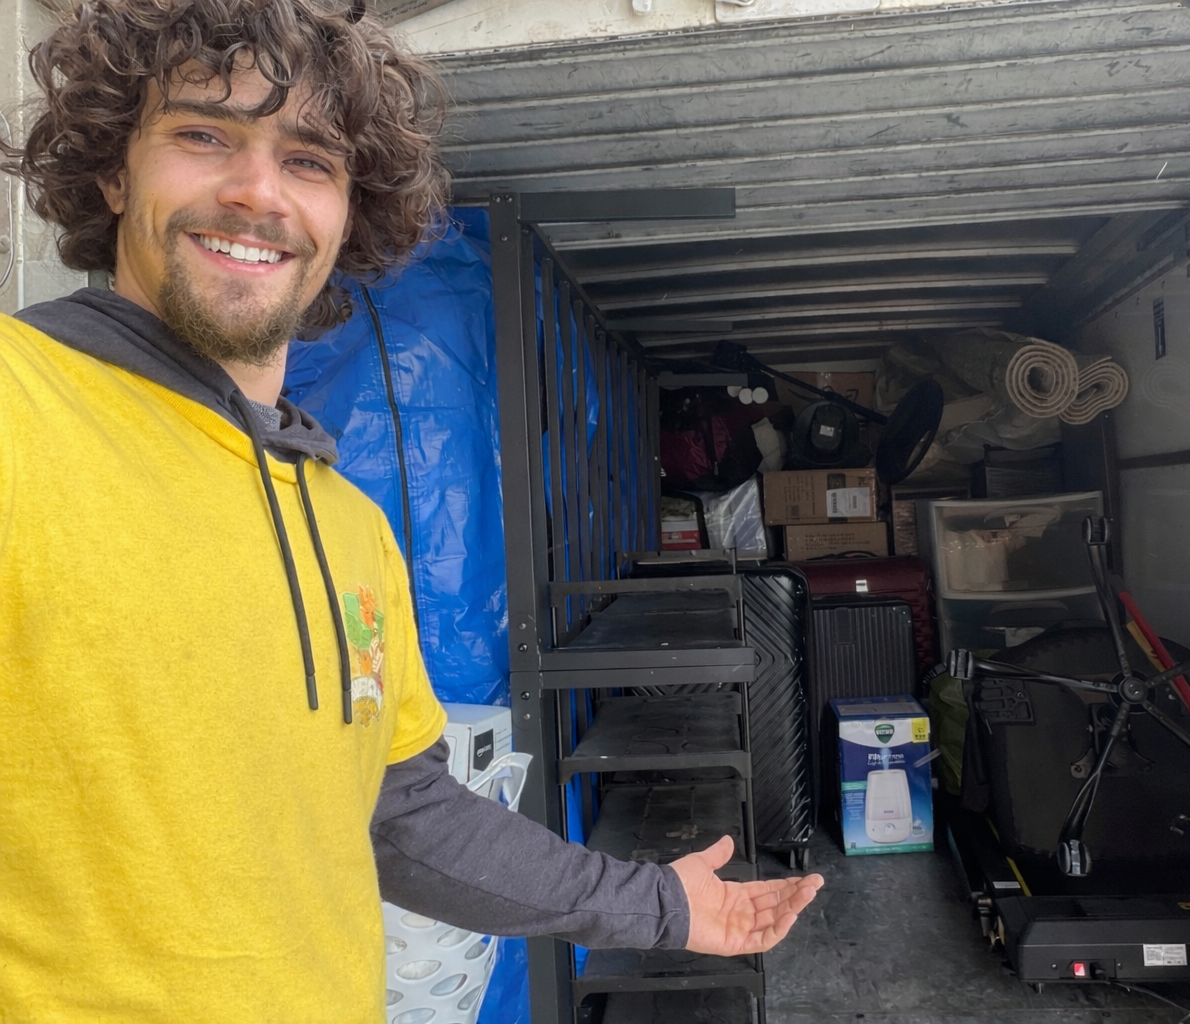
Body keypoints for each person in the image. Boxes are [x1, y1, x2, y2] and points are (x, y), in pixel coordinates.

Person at [0, 0, 822, 1019]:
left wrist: (654, 903)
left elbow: (403, 812)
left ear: (348, 215)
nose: (258, 189)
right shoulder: (22, 410)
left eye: (309, 160)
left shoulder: (347, 526)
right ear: (114, 173)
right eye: (204, 135)